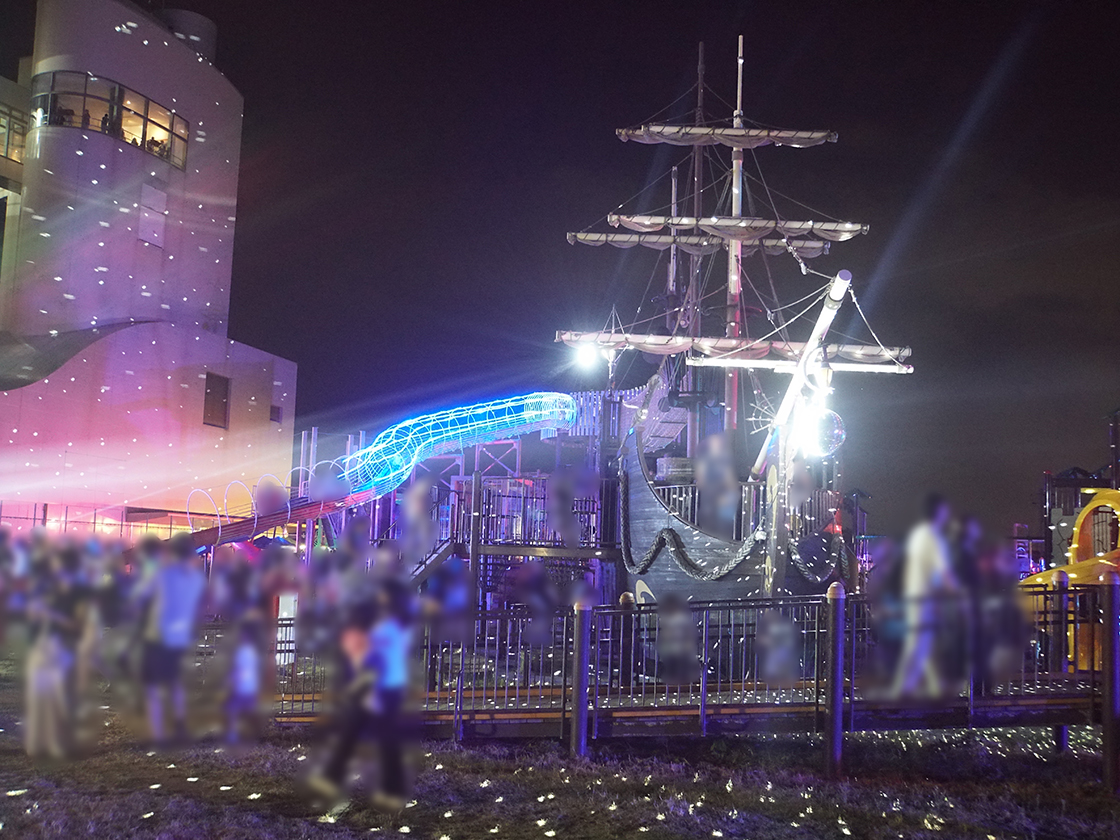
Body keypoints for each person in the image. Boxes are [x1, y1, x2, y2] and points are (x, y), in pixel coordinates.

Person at [135, 533, 207, 744]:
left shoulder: (163, 574)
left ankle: (158, 732)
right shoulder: (194, 578)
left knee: (153, 686)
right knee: (174, 682)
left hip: (158, 635)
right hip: (179, 636)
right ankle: (178, 727)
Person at [891, 494, 959, 699]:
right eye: (945, 510)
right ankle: (907, 688)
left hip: (915, 595)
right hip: (926, 598)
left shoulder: (919, 534)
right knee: (922, 641)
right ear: (939, 512)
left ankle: (926, 685)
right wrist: (957, 592)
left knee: (922, 641)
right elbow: (944, 571)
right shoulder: (934, 537)